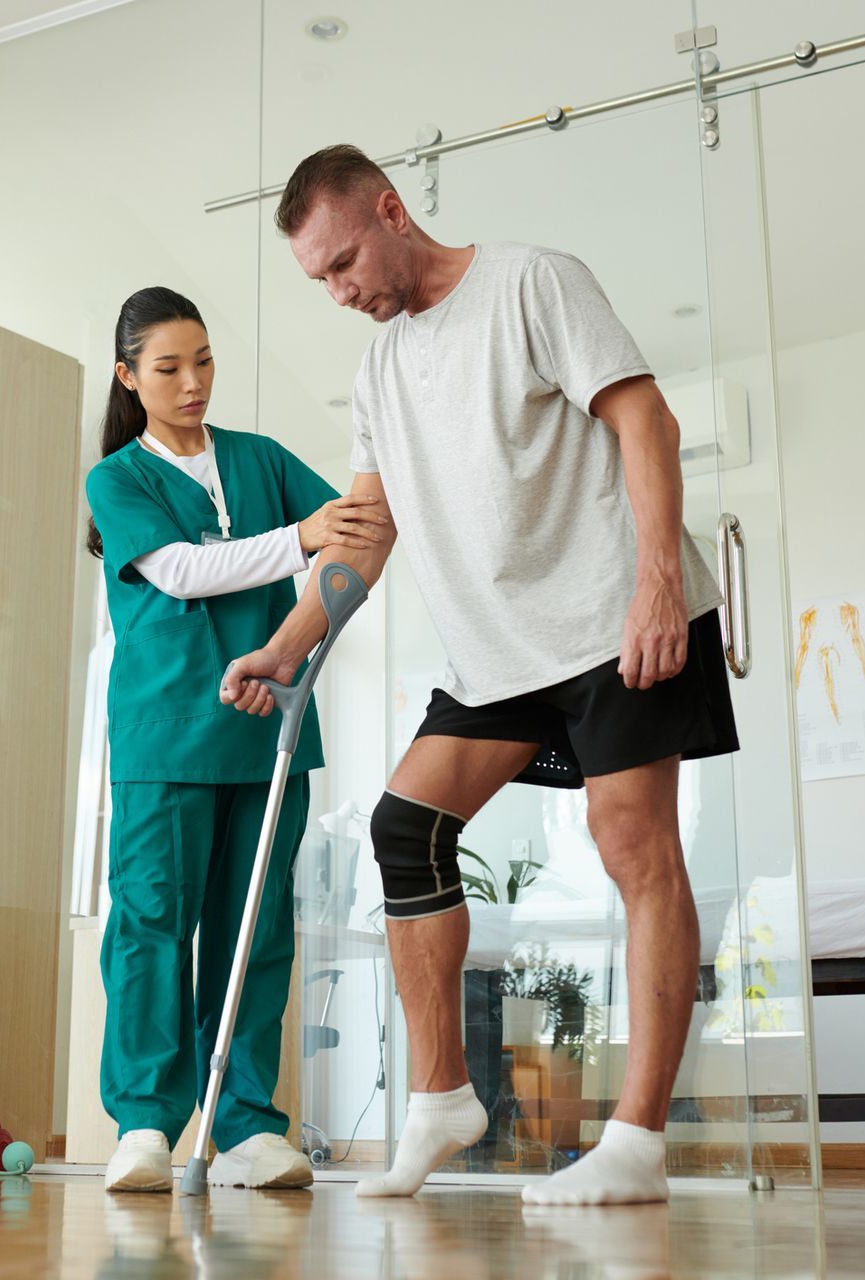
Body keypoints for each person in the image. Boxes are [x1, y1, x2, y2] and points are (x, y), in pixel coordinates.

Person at [219, 147, 738, 1206]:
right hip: (499, 651)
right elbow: (366, 534)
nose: (340, 290)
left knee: (633, 843)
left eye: (345, 260)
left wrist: (653, 584)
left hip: (607, 615)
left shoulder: (533, 282)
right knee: (405, 825)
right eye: (317, 278)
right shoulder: (377, 372)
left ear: (394, 210)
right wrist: (283, 644)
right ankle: (441, 1095)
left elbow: (646, 418)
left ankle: (636, 1143)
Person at [84, 286, 391, 1193]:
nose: (193, 383)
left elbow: (361, 537)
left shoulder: (259, 458)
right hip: (164, 736)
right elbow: (179, 571)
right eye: (170, 367)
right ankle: (144, 1123)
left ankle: (248, 1125)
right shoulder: (120, 478)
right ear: (129, 377)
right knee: (150, 928)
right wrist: (298, 538)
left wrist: (298, 646)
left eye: (204, 361)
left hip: (269, 737)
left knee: (253, 935)